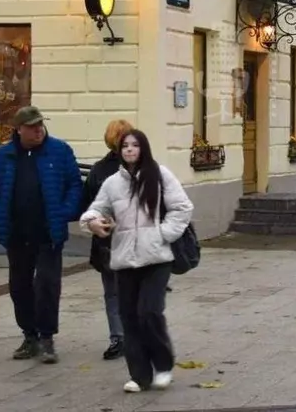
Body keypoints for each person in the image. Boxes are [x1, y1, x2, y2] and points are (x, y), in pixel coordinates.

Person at [80, 129, 194, 393]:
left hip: (156, 258)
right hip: (124, 260)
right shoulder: (112, 183)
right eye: (125, 146)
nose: (130, 150)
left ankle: (163, 365)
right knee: (129, 318)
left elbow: (182, 208)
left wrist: (162, 234)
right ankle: (140, 376)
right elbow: (95, 209)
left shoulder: (160, 175)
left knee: (150, 312)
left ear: (144, 148)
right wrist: (92, 221)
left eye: (135, 145)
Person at [0, 105, 83, 364]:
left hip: (48, 232)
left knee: (48, 284)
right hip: (17, 233)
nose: (38, 130)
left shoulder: (59, 151)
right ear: (19, 130)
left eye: (40, 125)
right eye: (32, 126)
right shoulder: (5, 155)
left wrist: (64, 212)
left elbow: (74, 184)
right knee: (19, 286)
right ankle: (30, 335)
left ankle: (47, 337)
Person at [80, 119, 135, 361]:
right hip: (133, 241)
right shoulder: (140, 168)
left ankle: (118, 337)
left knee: (112, 292)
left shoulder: (98, 170)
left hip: (106, 241)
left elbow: (88, 203)